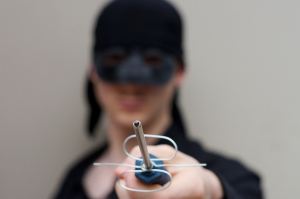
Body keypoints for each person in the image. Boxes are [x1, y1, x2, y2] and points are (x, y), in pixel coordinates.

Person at [54, 0, 263, 198]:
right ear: (93, 71)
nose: (131, 86)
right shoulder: (74, 178)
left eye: (152, 60)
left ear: (179, 73)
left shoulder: (234, 177)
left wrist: (211, 189)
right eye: (114, 59)